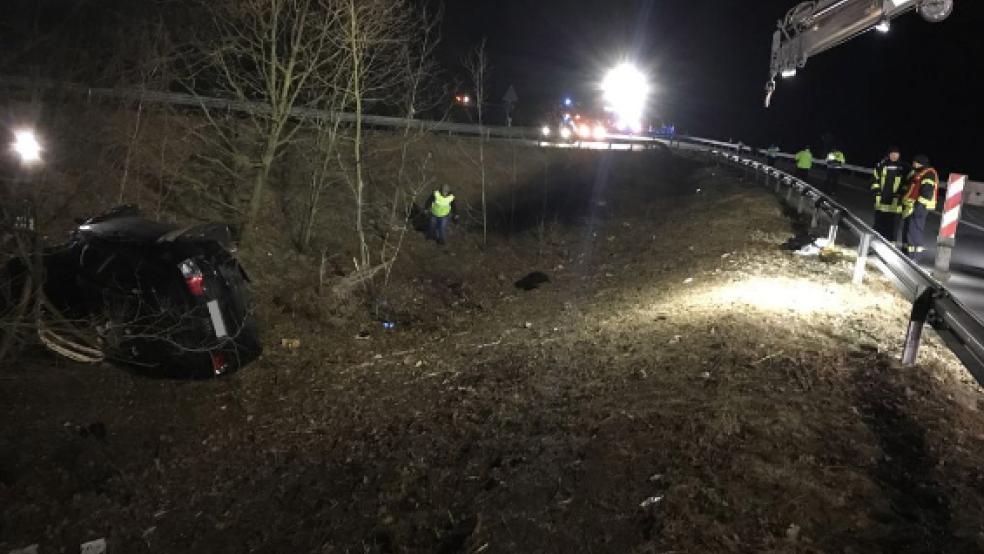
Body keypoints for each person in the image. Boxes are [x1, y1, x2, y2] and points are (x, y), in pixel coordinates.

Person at [900, 154, 939, 260]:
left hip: (920, 207)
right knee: (908, 230)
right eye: (914, 162)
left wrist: (917, 206)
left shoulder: (929, 173)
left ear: (921, 163)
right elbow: (909, 187)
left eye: (916, 162)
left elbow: (926, 194)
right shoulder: (916, 172)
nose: (914, 164)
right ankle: (906, 254)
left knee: (914, 231)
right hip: (912, 206)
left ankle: (913, 258)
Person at [871, 146, 906, 242]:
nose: (894, 156)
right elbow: (874, 180)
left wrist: (901, 193)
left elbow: (907, 183)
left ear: (899, 155)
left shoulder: (904, 168)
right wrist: (876, 192)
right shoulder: (880, 165)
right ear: (888, 154)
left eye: (896, 154)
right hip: (881, 201)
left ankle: (890, 248)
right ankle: (874, 245)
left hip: (895, 203)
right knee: (878, 225)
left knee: (893, 227)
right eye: (892, 154)